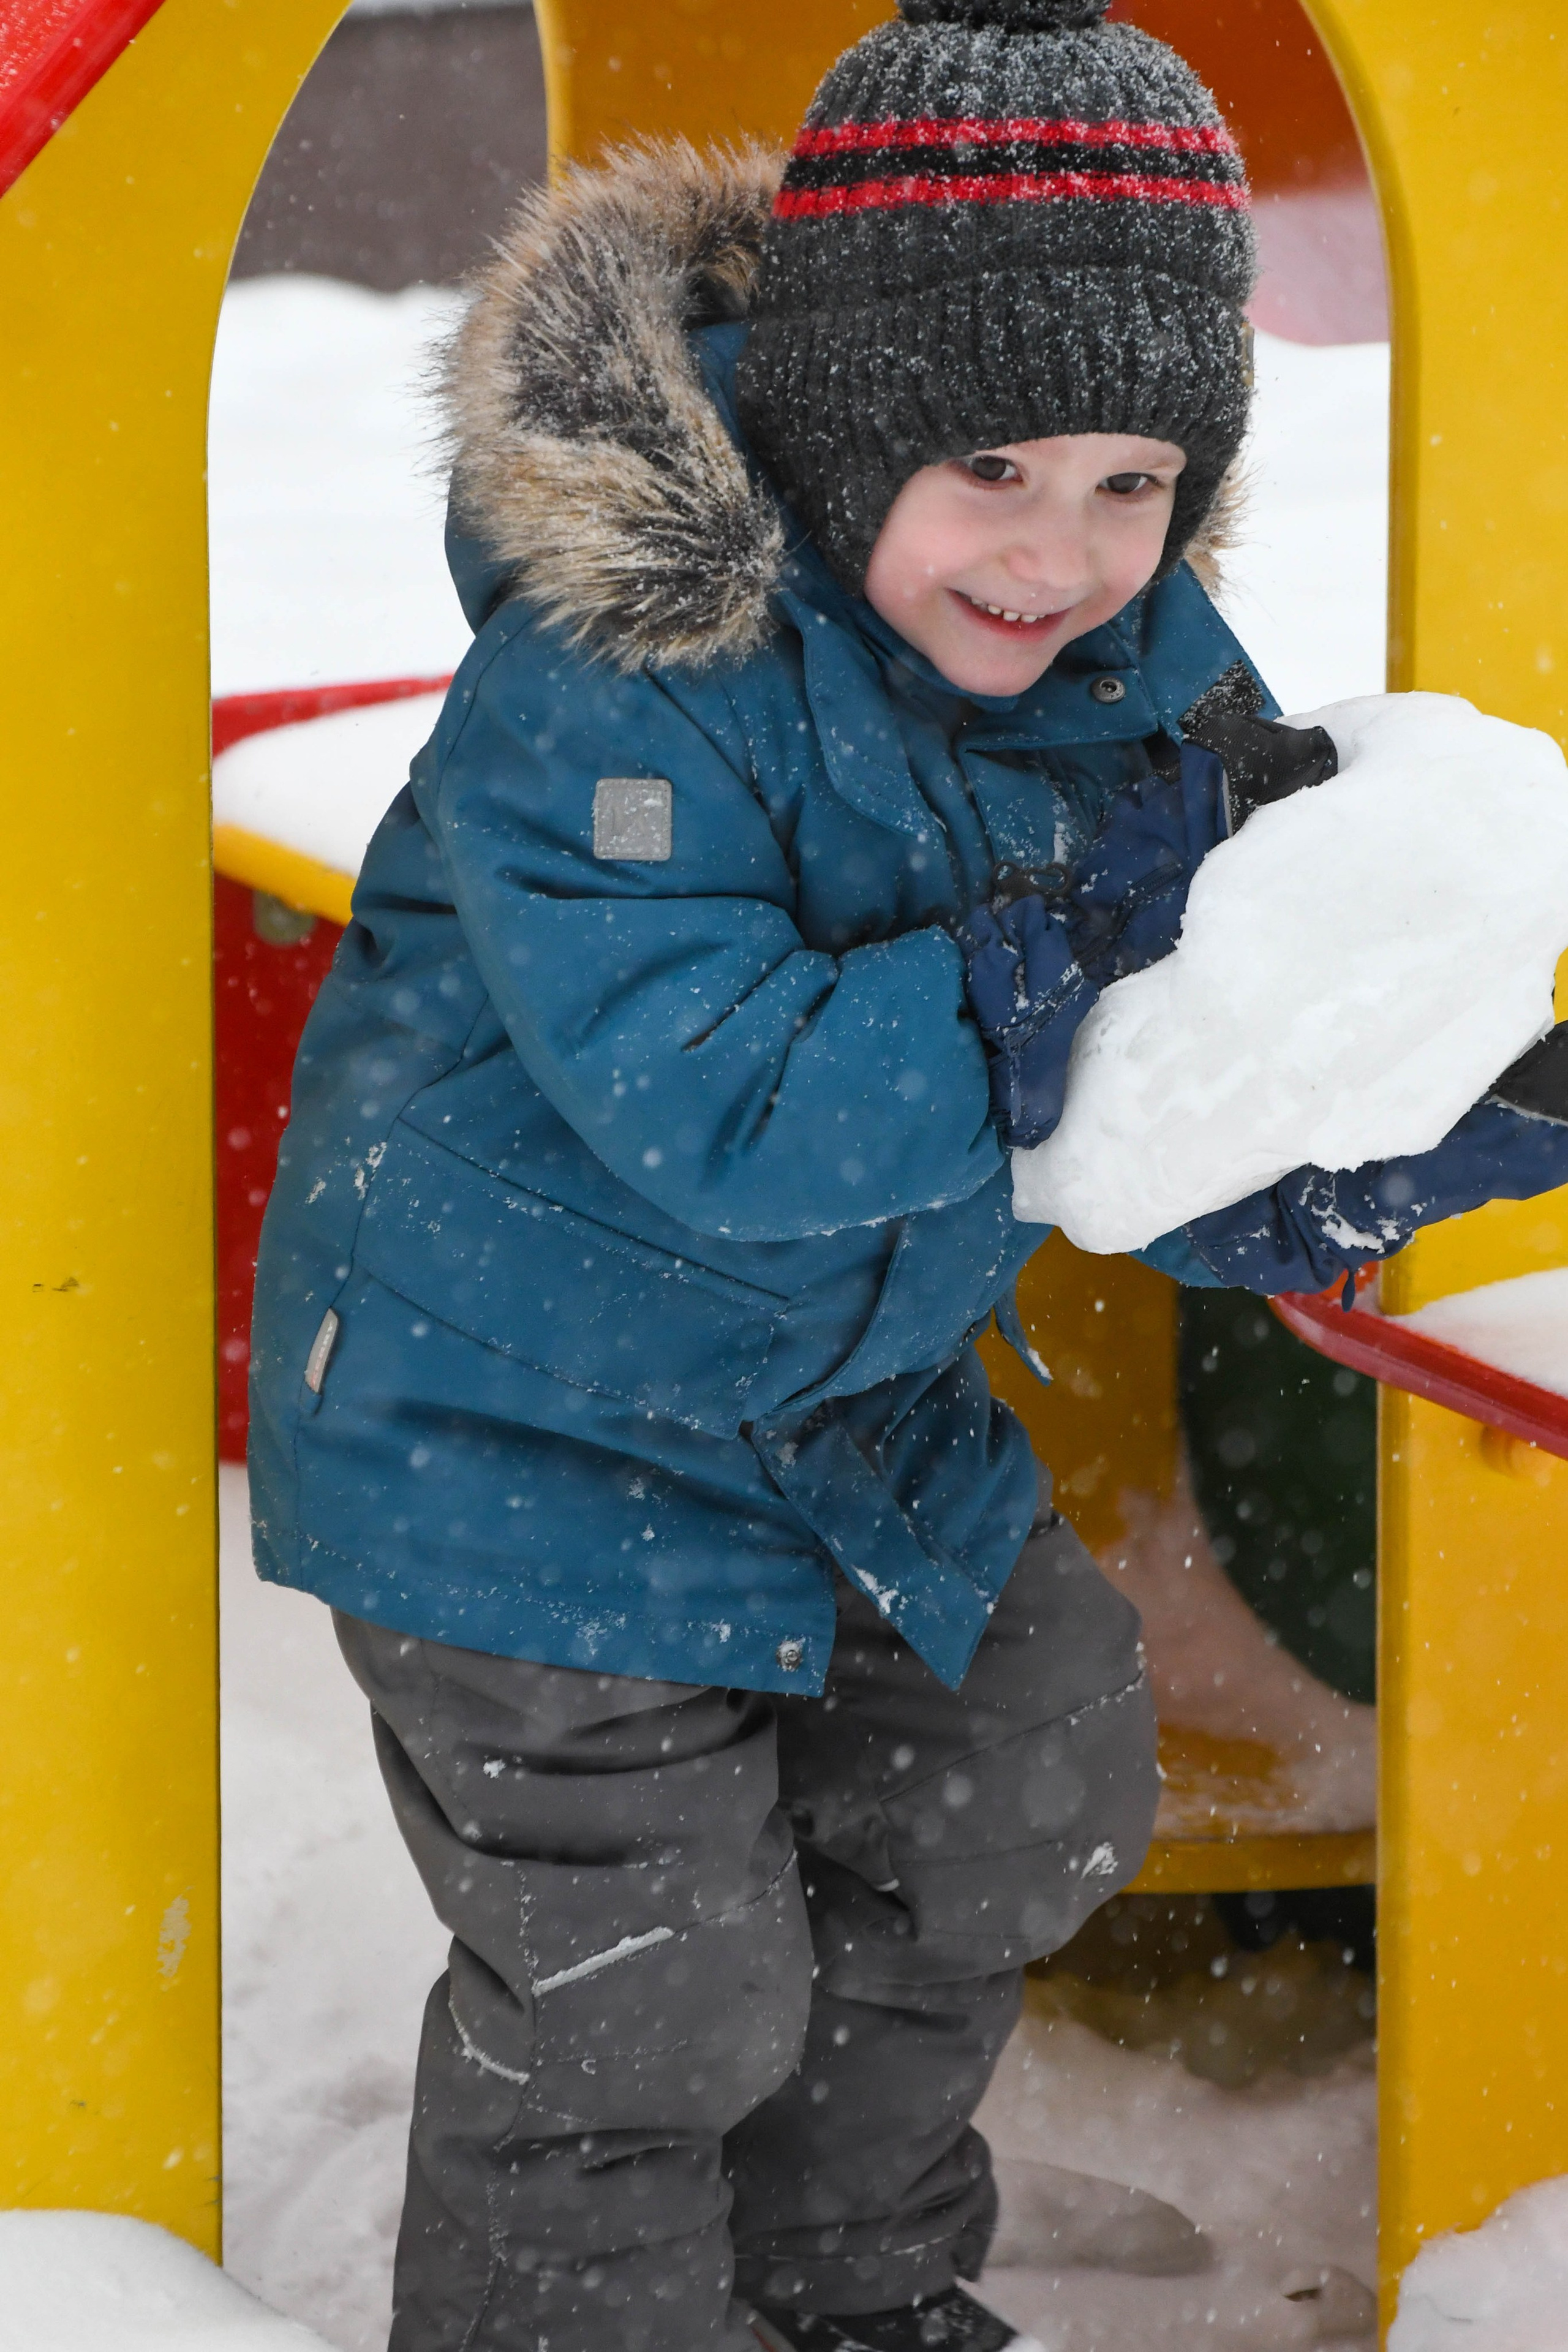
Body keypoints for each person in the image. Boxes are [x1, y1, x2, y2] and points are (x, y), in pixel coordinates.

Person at [248, 3, 1568, 2348]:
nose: (1064, 555)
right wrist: (1049, 962)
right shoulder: (625, 673)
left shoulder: (1136, 662)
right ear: (849, 430)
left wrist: (1397, 1115)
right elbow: (728, 1099)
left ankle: (839, 2288)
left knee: (1018, 1781)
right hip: (513, 1436)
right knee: (643, 1988)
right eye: (992, 467)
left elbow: (1165, 1070)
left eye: (1137, 482)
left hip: (835, 1414)